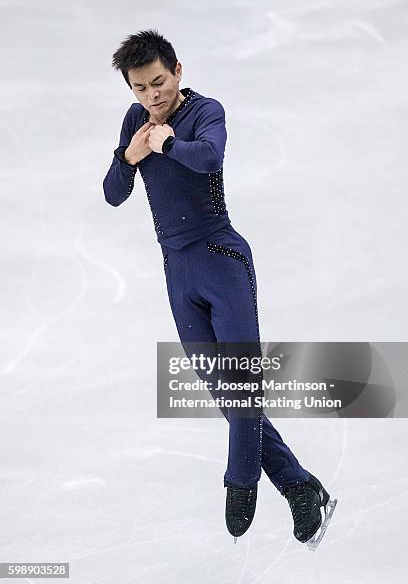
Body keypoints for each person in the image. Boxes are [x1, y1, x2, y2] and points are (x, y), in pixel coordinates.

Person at [102, 29, 337, 549]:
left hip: (223, 260)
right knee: (229, 395)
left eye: (158, 83)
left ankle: (242, 480)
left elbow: (209, 158)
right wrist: (130, 156)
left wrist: (166, 142)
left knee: (243, 388)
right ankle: (302, 487)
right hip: (178, 274)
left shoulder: (205, 111)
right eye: (139, 89)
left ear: (178, 71)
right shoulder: (134, 121)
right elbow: (113, 194)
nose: (150, 97)